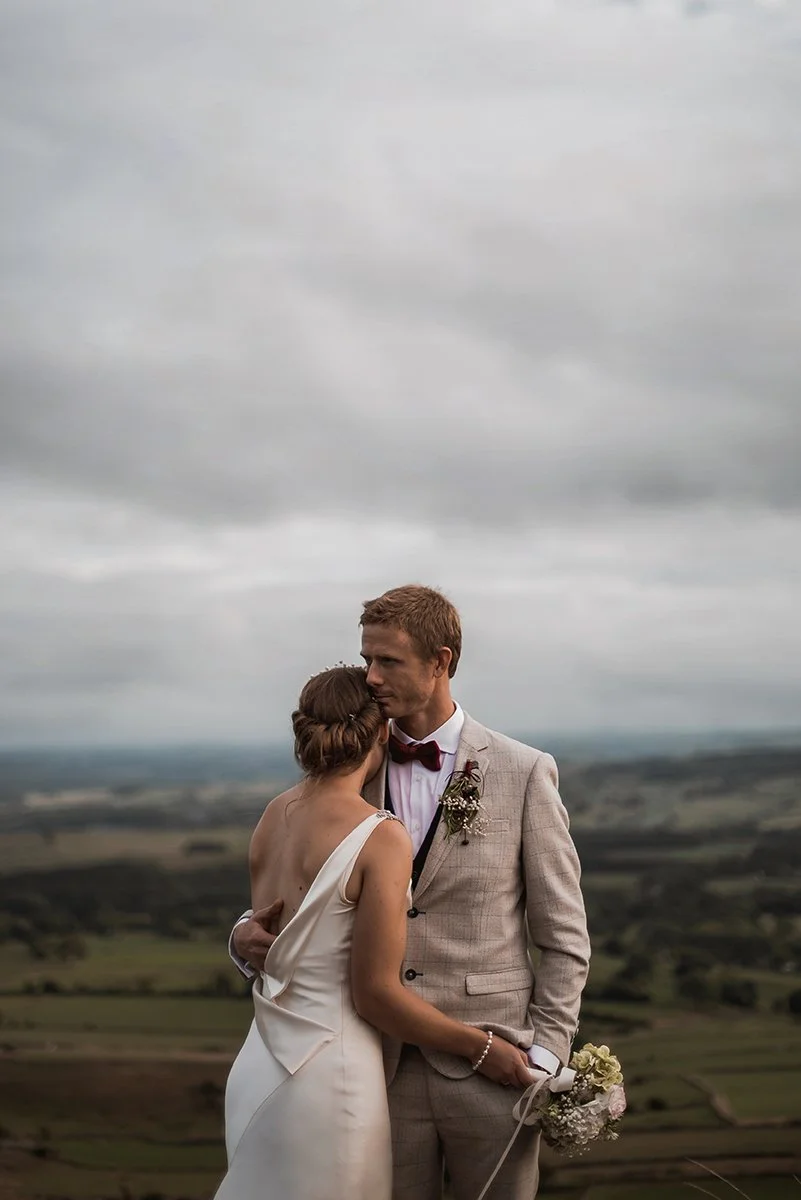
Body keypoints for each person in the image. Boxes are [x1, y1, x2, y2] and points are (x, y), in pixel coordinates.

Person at [230, 585, 591, 1200]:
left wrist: (547, 1057)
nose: (370, 677)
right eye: (366, 658)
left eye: (388, 661)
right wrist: (243, 937)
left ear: (441, 661)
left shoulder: (523, 771)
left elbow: (562, 935)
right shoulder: (346, 767)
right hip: (373, 1066)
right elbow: (300, 888)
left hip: (496, 1063)